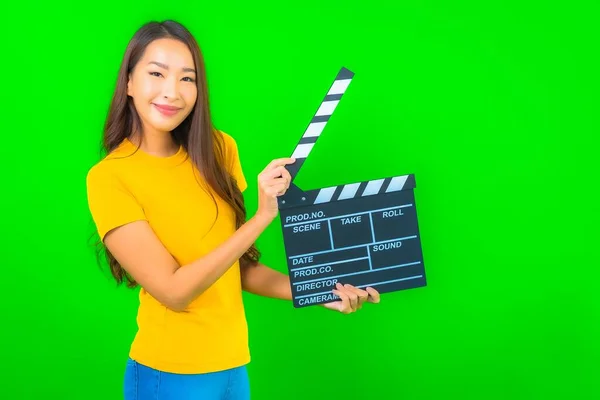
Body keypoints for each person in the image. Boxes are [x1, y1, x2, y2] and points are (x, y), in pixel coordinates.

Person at [86, 19, 381, 400]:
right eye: (156, 73)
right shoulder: (110, 177)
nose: (171, 92)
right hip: (170, 375)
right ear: (128, 82)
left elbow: (234, 269)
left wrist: (319, 291)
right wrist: (262, 217)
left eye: (187, 79)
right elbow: (175, 291)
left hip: (233, 367)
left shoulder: (218, 149)